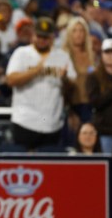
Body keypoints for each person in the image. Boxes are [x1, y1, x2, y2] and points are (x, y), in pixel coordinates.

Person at [6, 17, 76, 151]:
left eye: (46, 37)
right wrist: (35, 71)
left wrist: (65, 79)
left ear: (52, 37)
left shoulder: (62, 56)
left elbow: (72, 86)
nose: (42, 40)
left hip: (52, 122)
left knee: (49, 166)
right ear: (33, 35)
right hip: (25, 120)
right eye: (39, 36)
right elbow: (11, 80)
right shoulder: (22, 53)